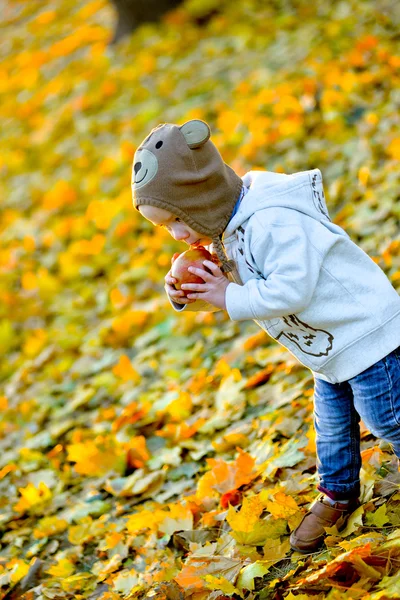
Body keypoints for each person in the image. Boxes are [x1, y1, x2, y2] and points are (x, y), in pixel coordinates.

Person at [131, 119, 400, 553]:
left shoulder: (273, 221)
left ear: (200, 197)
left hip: (366, 333)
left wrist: (227, 294)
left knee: (387, 418)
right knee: (331, 431)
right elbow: (229, 293)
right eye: (165, 229)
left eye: (176, 221)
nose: (177, 236)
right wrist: (187, 292)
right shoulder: (225, 231)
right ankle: (338, 494)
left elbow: (290, 291)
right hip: (329, 350)